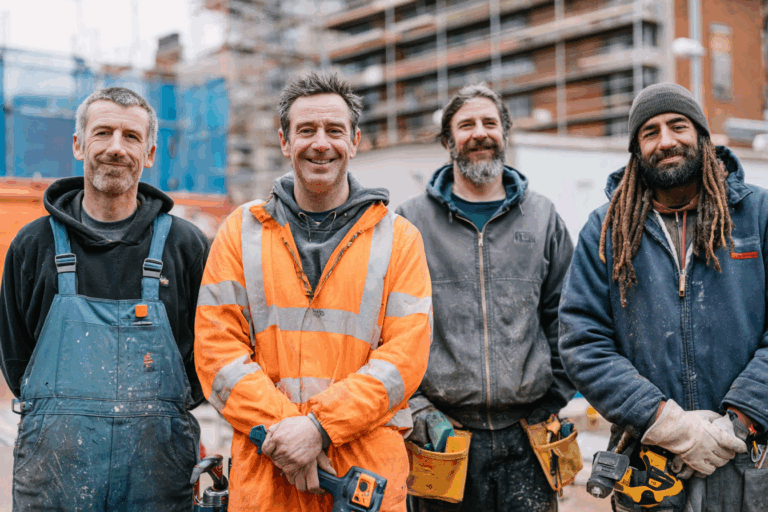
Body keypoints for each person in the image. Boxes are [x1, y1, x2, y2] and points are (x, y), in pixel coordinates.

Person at [194, 72, 432, 512]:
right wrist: (291, 433)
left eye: (334, 130)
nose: (320, 143)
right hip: (270, 475)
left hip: (363, 482)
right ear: (285, 142)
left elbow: (405, 359)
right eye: (306, 130)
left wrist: (318, 429)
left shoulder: (399, 239)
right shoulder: (240, 232)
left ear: (355, 141)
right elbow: (216, 353)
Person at [559, 83, 768, 511]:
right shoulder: (606, 230)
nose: (666, 140)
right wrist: (667, 423)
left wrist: (739, 419)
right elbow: (583, 342)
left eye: (678, 126)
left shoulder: (757, 216)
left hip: (747, 463)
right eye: (650, 132)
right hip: (651, 468)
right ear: (636, 149)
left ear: (703, 136)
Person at [0, 87, 210, 510]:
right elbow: (17, 360)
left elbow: (206, 359)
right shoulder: (33, 245)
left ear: (150, 153)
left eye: (131, 137)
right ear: (79, 144)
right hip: (54, 479)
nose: (116, 148)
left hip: (158, 476)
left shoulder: (186, 247)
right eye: (103, 133)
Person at [396, 83, 575, 512]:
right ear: (447, 141)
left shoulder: (543, 217)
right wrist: (420, 411)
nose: (480, 133)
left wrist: (551, 399)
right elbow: (388, 332)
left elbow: (568, 318)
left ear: (505, 134)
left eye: (490, 122)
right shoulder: (408, 223)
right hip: (442, 439)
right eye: (466, 125)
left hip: (529, 437)